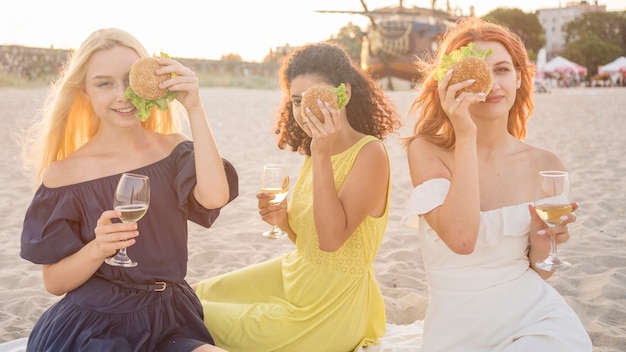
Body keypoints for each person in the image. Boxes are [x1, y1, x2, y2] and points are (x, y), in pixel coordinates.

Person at [19, 28, 238, 352]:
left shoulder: (174, 150)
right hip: (97, 325)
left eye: (129, 80)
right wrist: (98, 248)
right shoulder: (64, 175)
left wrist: (195, 108)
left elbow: (214, 197)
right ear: (85, 92)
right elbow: (54, 282)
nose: (122, 94)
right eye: (105, 83)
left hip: (170, 316)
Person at [194, 42, 401, 351]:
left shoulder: (369, 153)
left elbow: (331, 242)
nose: (304, 112)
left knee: (191, 313)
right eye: (296, 101)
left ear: (343, 92)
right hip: (297, 272)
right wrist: (285, 222)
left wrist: (321, 154)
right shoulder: (314, 150)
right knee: (193, 294)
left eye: (314, 99)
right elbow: (311, 243)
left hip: (329, 307)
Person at [402, 17, 592, 351]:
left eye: (502, 69)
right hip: (456, 329)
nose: (491, 83)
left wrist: (547, 239)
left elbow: (540, 270)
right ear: (450, 80)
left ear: (520, 77)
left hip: (534, 316)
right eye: (478, 71)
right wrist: (464, 132)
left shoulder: (546, 165)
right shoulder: (426, 150)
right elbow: (462, 239)